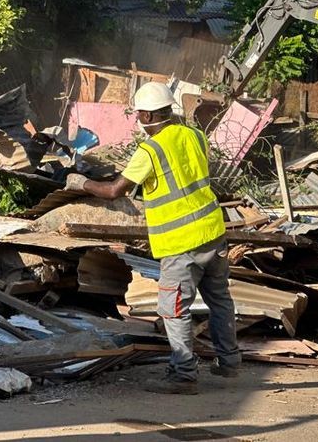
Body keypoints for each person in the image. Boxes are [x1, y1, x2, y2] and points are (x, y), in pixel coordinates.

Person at [65, 82, 240, 395]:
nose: (139, 121)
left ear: (146, 114)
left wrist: (81, 183)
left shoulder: (151, 149)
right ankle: (229, 361)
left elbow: (114, 191)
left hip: (180, 243)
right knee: (220, 300)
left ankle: (184, 376)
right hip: (213, 233)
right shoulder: (195, 135)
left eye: (139, 115)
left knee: (174, 311)